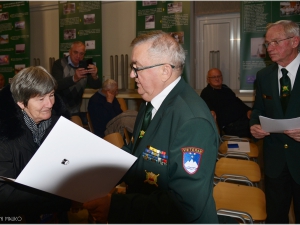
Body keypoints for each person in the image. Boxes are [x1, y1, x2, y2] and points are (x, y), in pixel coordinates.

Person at [83, 31, 219, 223]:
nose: (132, 74)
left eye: (137, 67)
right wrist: (95, 175)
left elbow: (186, 205)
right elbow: (138, 152)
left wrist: (116, 207)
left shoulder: (191, 120)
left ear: (165, 71)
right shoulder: (151, 101)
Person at [0, 66, 73, 223]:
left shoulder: (60, 126)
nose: (49, 104)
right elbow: (4, 193)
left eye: (51, 95)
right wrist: (59, 195)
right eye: (40, 99)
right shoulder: (5, 135)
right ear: (21, 103)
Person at [250, 20, 300, 223]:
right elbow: (258, 110)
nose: (269, 48)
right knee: (275, 217)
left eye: (275, 42)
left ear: (295, 41)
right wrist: (254, 126)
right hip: (275, 162)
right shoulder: (264, 76)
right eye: (267, 43)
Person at [52, 41, 101, 116]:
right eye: (75, 52)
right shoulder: (59, 64)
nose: (78, 56)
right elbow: (56, 85)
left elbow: (96, 86)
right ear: (70, 52)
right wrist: (74, 78)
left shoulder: (85, 65)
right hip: (58, 111)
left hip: (75, 111)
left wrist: (95, 76)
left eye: (81, 54)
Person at [200, 68, 252, 138]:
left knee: (257, 118)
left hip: (242, 119)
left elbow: (237, 101)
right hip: (231, 126)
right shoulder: (206, 93)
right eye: (213, 77)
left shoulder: (225, 88)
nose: (217, 79)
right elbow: (211, 113)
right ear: (208, 80)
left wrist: (248, 110)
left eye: (219, 76)